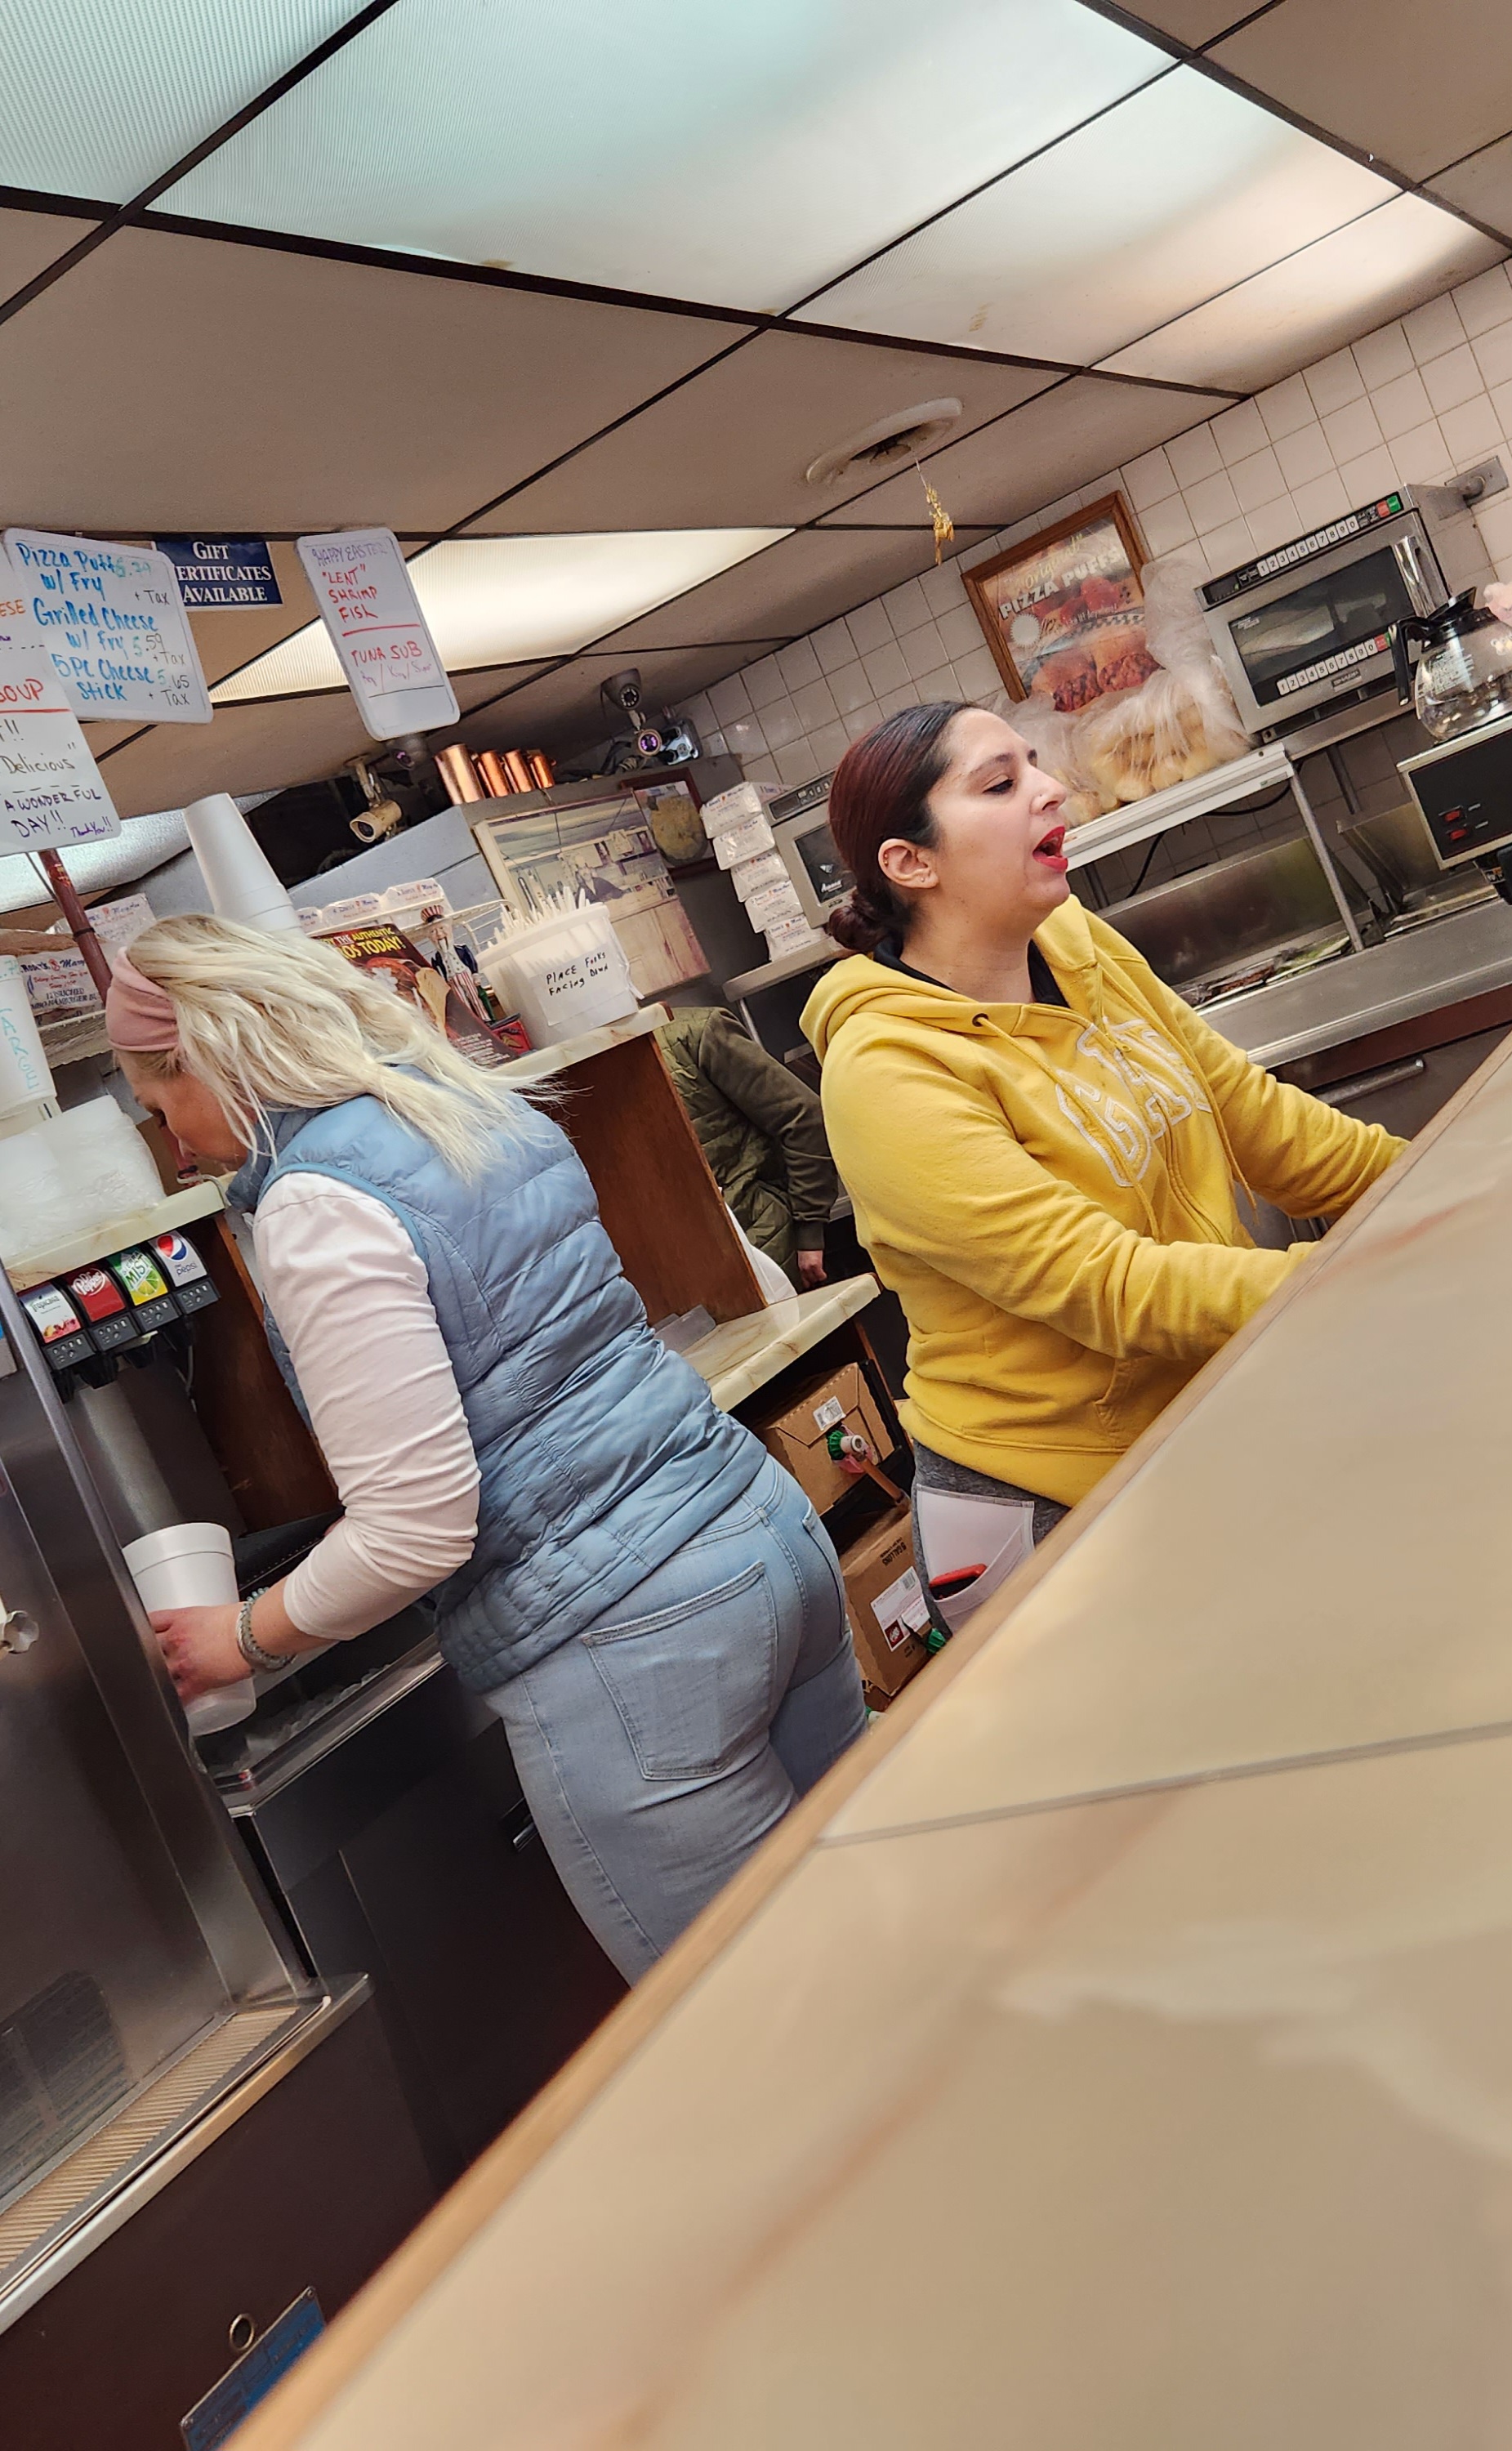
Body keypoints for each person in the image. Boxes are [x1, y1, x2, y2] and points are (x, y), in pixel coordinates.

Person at [105, 915, 865, 1983]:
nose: (176, 1144)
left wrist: (244, 1638)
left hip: (630, 1638)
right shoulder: (459, 1100)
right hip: (758, 1532)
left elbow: (415, 1530)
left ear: (203, 1056)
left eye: (161, 1106)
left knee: (760, 2017)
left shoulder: (316, 1203)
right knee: (873, 1932)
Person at [803, 701, 1405, 1627]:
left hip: (1197, 1424)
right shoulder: (886, 1072)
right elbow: (1108, 1286)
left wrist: (1453, 1178)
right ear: (910, 862)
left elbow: (1259, 1121)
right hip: (1048, 1504)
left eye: (1034, 765)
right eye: (1000, 784)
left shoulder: (1075, 944)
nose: (1051, 789)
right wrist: (1363, 1271)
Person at [657, 1004, 837, 1288]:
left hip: (771, 1245)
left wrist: (809, 1233)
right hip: (688, 1274)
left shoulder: (695, 1034)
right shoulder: (584, 1077)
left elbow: (802, 1117)